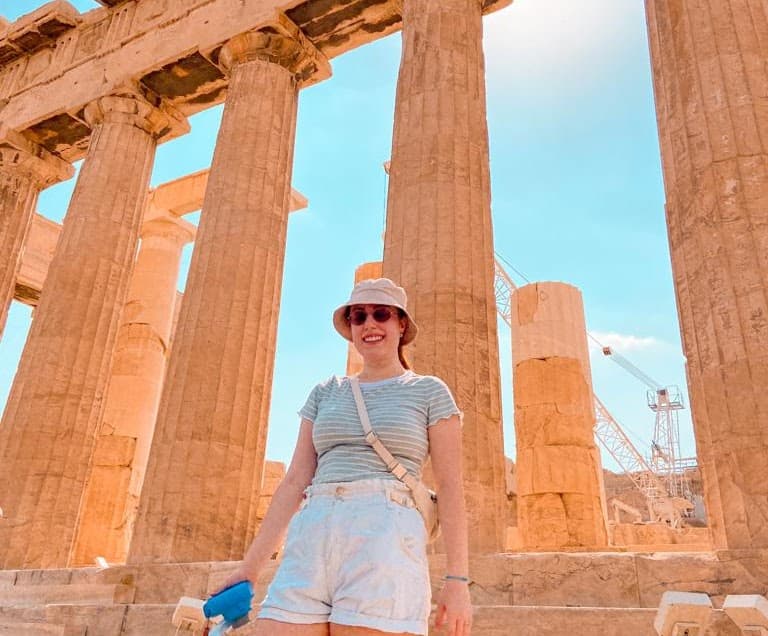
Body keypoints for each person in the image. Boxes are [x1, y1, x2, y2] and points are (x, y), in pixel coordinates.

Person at [219, 278, 472, 636]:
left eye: (381, 314)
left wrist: (457, 580)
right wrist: (250, 567)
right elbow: (295, 481)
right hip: (313, 531)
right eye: (358, 316)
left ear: (401, 325)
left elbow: (450, 486)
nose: (369, 324)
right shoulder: (326, 392)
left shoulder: (428, 391)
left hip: (385, 532)